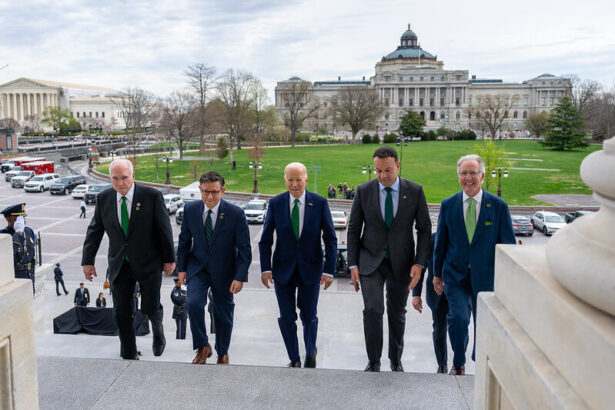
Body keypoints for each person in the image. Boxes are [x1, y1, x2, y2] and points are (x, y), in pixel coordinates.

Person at [347, 146, 431, 372]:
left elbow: (424, 229)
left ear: (398, 166)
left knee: (397, 312)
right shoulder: (364, 191)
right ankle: (373, 361)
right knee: (373, 309)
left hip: (401, 263)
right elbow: (354, 229)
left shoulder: (414, 191)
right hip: (370, 261)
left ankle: (395, 360)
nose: (382, 176)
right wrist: (353, 264)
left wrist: (419, 263)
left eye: (388, 170)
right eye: (377, 171)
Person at [81, 159, 175, 360]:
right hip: (119, 264)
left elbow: (164, 229)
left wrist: (169, 259)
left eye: (124, 178)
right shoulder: (104, 198)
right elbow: (95, 231)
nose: (120, 183)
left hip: (148, 263)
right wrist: (87, 261)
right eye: (115, 178)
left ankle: (158, 332)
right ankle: (129, 352)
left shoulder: (151, 196)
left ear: (133, 176)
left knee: (150, 307)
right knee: (121, 312)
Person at [433, 154, 516, 375]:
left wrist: (507, 278)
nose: (468, 178)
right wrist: (436, 274)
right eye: (463, 173)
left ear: (482, 174)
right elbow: (440, 242)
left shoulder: (497, 206)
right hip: (455, 275)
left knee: (484, 321)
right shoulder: (448, 205)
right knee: (458, 318)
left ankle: (480, 358)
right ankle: (458, 363)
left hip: (486, 276)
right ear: (458, 175)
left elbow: (507, 245)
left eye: (472, 173)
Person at [259, 162, 337, 368]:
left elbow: (330, 239)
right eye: (290, 180)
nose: (294, 184)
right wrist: (265, 268)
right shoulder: (275, 203)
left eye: (298, 180)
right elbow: (265, 239)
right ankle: (293, 358)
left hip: (311, 269)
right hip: (282, 271)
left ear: (306, 180)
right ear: (285, 180)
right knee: (286, 317)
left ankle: (310, 353)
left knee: (309, 315)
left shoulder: (319, 203)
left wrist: (329, 270)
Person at [177, 171, 251, 365]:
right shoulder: (190, 210)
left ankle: (222, 351)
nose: (210, 197)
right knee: (193, 304)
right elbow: (184, 241)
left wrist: (240, 276)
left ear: (223, 191)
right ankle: (203, 346)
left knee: (222, 311)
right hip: (198, 268)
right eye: (205, 192)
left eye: (214, 192)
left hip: (225, 270)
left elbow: (244, 248)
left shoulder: (235, 213)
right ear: (200, 190)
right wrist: (181, 269)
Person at [411, 233, 449, 373]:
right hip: (437, 294)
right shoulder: (430, 240)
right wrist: (416, 295)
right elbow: (420, 269)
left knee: (460, 326)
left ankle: (459, 362)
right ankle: (442, 365)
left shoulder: (462, 236)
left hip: (459, 292)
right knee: (439, 330)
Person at [12, 215, 37, 293]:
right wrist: (18, 235)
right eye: (18, 218)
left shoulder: (28, 232)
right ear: (8, 218)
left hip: (29, 275)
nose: (23, 220)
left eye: (23, 218)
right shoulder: (6, 234)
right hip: (17, 277)